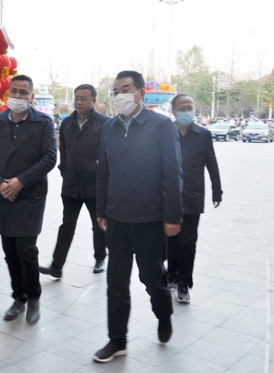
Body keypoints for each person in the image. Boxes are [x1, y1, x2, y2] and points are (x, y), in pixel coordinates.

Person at [94, 70, 183, 363]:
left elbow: (173, 173)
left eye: (125, 89)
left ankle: (164, 313)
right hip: (117, 220)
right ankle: (117, 340)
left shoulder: (161, 126)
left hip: (149, 220)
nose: (119, 95)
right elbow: (103, 171)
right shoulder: (109, 128)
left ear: (141, 93)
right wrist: (101, 210)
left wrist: (172, 216)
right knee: (116, 283)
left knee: (151, 278)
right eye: (115, 90)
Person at [0, 74, 57, 324]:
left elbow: (50, 157)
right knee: (10, 251)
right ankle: (18, 297)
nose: (18, 96)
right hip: (3, 194)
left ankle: (34, 297)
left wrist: (20, 181)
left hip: (29, 195)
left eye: (24, 92)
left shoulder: (43, 123)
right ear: (8, 93)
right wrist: (0, 183)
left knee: (26, 250)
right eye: (14, 91)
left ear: (31, 97)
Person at [39, 84, 109, 278]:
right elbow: (64, 151)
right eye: (76, 98)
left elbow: (109, 154)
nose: (78, 102)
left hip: (94, 185)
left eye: (83, 99)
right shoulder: (67, 123)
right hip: (71, 185)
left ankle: (100, 258)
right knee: (67, 224)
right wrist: (64, 170)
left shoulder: (104, 124)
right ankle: (56, 266)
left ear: (94, 101)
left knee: (98, 224)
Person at [169, 94, 222, 303]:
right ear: (173, 111)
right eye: (182, 108)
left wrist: (217, 190)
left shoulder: (203, 135)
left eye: (189, 107)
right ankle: (171, 275)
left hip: (192, 196)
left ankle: (184, 283)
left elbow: (212, 164)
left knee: (188, 242)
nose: (186, 111)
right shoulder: (166, 132)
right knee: (170, 240)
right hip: (168, 196)